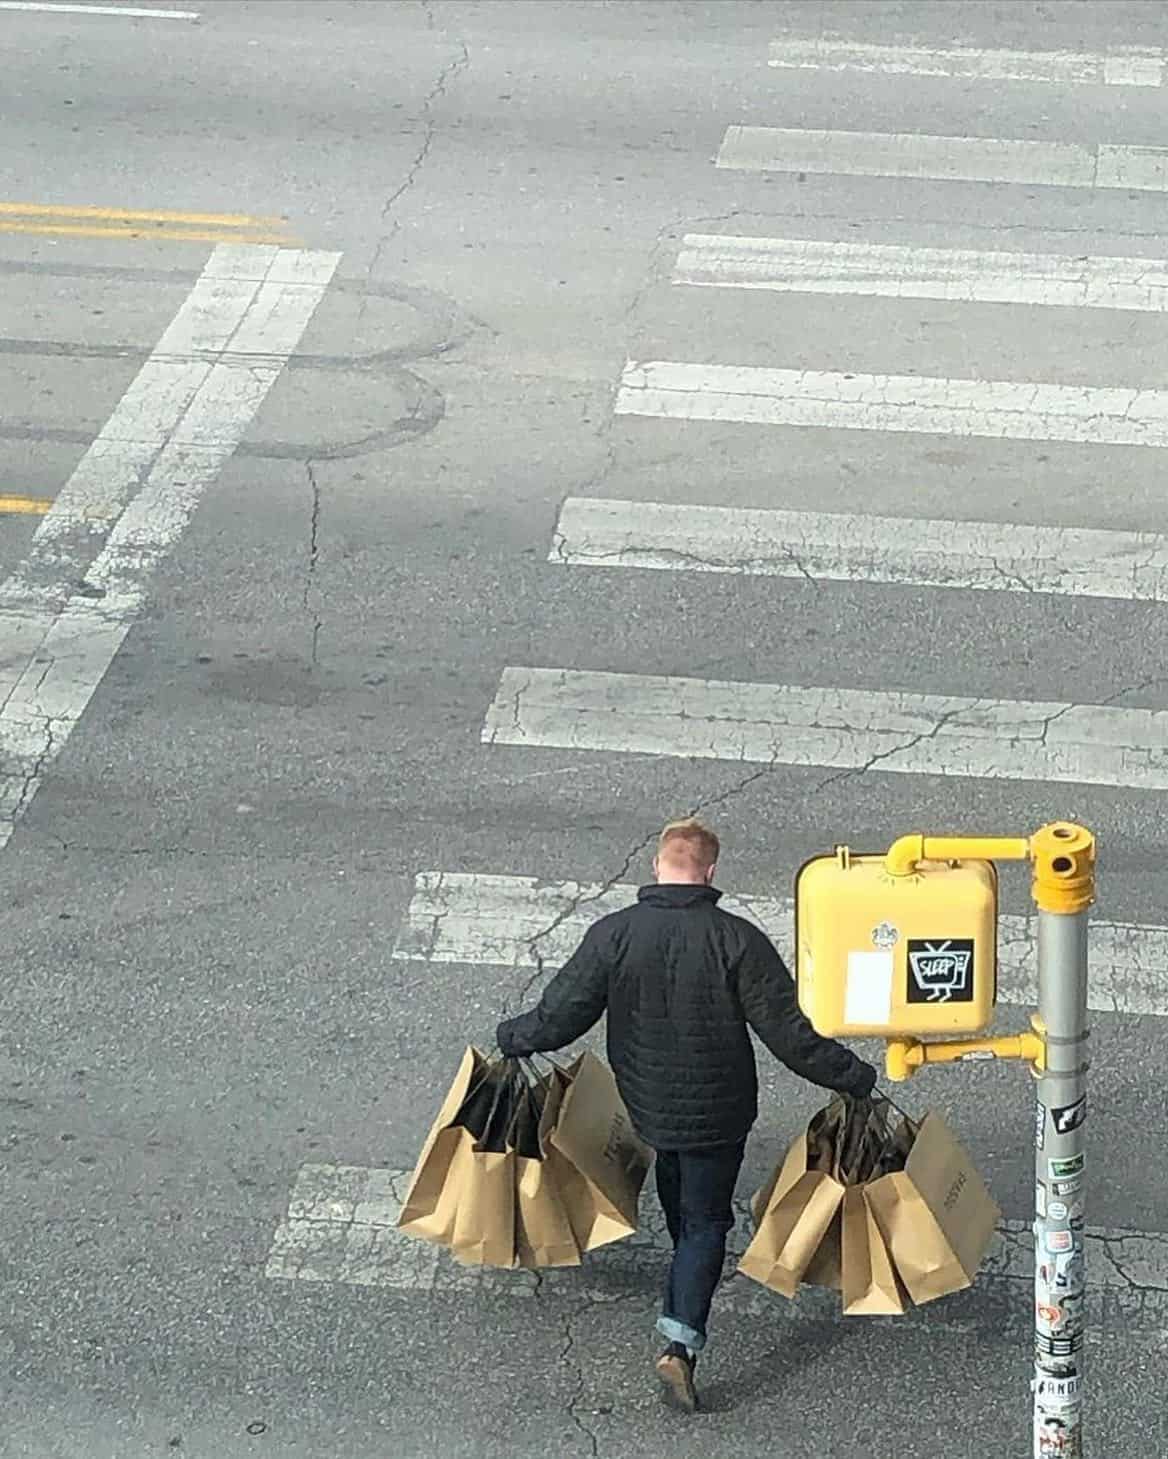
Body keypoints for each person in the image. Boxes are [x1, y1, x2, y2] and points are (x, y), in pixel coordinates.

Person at [496, 816, 877, 1414]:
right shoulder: (737, 939)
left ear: (657, 866)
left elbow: (563, 1013)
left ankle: (685, 1273)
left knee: (679, 1191)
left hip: (648, 1104)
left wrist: (513, 1038)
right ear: (711, 872)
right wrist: (853, 1077)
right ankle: (679, 1342)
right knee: (705, 1222)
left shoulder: (614, 933)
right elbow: (789, 1034)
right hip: (719, 1111)